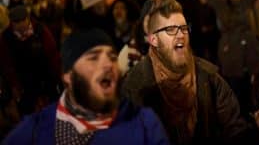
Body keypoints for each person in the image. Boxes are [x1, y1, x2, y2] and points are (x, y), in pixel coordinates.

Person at [121, 0, 254, 145]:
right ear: (153, 40)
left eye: (184, 28)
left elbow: (235, 129)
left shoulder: (209, 77)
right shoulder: (134, 85)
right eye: (170, 30)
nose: (180, 35)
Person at [3, 28, 169, 145]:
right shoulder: (34, 131)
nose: (107, 64)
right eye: (93, 58)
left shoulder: (144, 124)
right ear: (68, 75)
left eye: (112, 57)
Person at [0, 5, 62, 116]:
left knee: (52, 112)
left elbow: (52, 54)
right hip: (24, 84)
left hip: (45, 79)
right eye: (17, 22)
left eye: (23, 20)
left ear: (28, 18)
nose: (21, 24)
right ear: (11, 22)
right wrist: (14, 85)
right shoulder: (6, 37)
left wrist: (56, 76)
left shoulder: (40, 30)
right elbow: (7, 64)